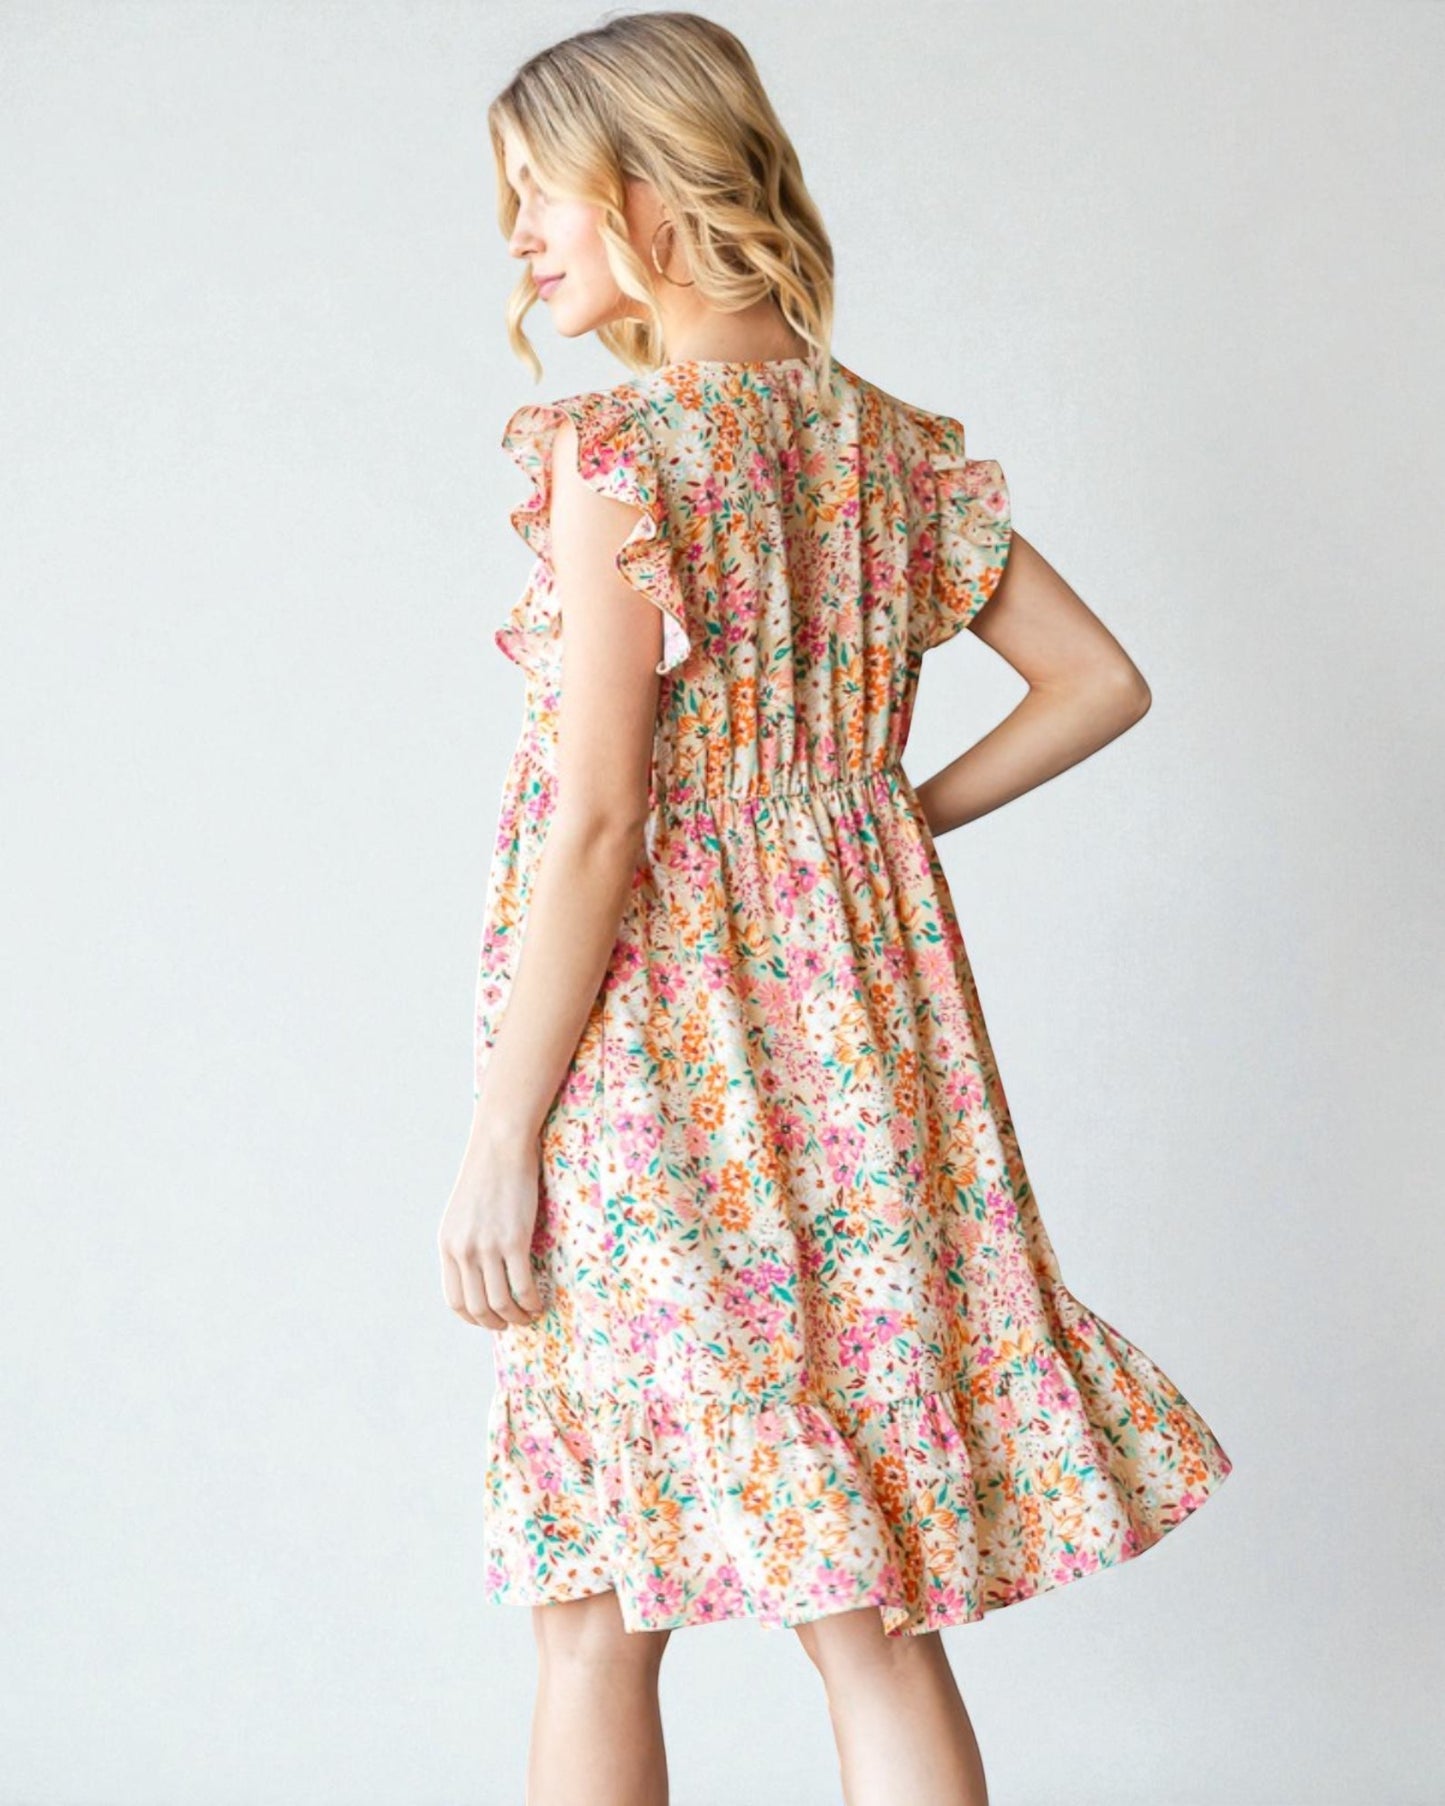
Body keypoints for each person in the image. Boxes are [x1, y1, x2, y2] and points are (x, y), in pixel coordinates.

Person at [438, 13, 1233, 1805]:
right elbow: (1094, 681)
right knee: (867, 1604)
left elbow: (600, 820)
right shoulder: (887, 449)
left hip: (649, 1056)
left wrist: (501, 1129)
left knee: (591, 1601)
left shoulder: (621, 457)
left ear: (647, 190)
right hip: (861, 1045)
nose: (519, 241)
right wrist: (874, 827)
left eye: (537, 195)